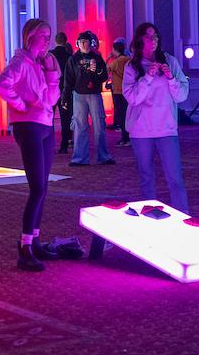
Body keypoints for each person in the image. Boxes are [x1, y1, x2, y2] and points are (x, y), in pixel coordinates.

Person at [0, 18, 77, 272]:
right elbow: (1, 84)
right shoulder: (20, 61)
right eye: (42, 35)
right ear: (29, 36)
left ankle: (36, 241)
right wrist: (21, 105)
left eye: (49, 35)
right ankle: (25, 248)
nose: (47, 40)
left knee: (43, 189)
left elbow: (51, 99)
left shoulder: (42, 62)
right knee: (37, 188)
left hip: (44, 125)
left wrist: (52, 75)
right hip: (28, 125)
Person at [123, 22, 190, 213]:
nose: (153, 41)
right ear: (139, 40)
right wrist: (148, 77)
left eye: (156, 37)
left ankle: (182, 217)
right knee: (146, 177)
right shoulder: (132, 66)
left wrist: (171, 79)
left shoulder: (170, 61)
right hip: (141, 130)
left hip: (166, 128)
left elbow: (181, 96)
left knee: (175, 178)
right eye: (148, 37)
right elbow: (133, 98)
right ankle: (149, 218)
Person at [65, 30, 113, 166]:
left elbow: (104, 76)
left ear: (90, 43)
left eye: (86, 41)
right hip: (79, 94)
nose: (84, 44)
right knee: (80, 126)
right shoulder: (73, 59)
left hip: (94, 93)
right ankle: (79, 158)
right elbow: (68, 80)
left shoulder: (97, 58)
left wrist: (96, 70)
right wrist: (66, 96)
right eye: (81, 42)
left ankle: (103, 156)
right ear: (78, 44)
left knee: (99, 125)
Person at [50, 32, 74, 154]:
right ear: (65, 41)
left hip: (52, 90)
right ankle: (64, 144)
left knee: (50, 118)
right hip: (66, 89)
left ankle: (49, 145)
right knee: (66, 118)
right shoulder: (70, 56)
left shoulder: (50, 55)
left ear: (55, 41)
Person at [107, 39, 132, 146]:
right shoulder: (128, 60)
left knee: (121, 116)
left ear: (115, 50)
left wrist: (108, 58)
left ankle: (125, 138)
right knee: (127, 114)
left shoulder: (116, 62)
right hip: (128, 91)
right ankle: (129, 137)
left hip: (118, 91)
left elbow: (105, 70)